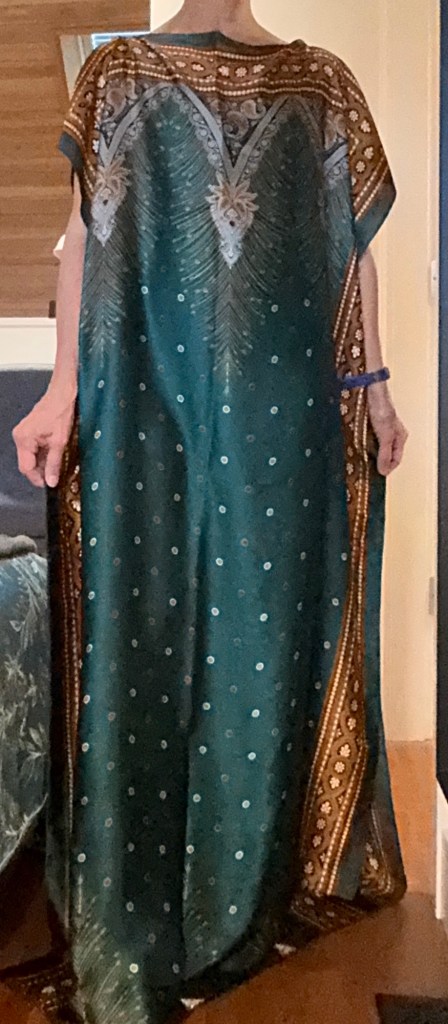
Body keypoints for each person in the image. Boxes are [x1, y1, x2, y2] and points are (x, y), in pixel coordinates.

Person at [11, 1, 408, 1021]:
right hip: (140, 400)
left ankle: (246, 889)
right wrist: (61, 389)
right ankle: (141, 895)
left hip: (285, 416)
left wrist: (373, 387)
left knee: (262, 639)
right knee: (144, 629)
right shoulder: (117, 75)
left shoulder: (322, 84)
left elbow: (352, 252)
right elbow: (82, 239)